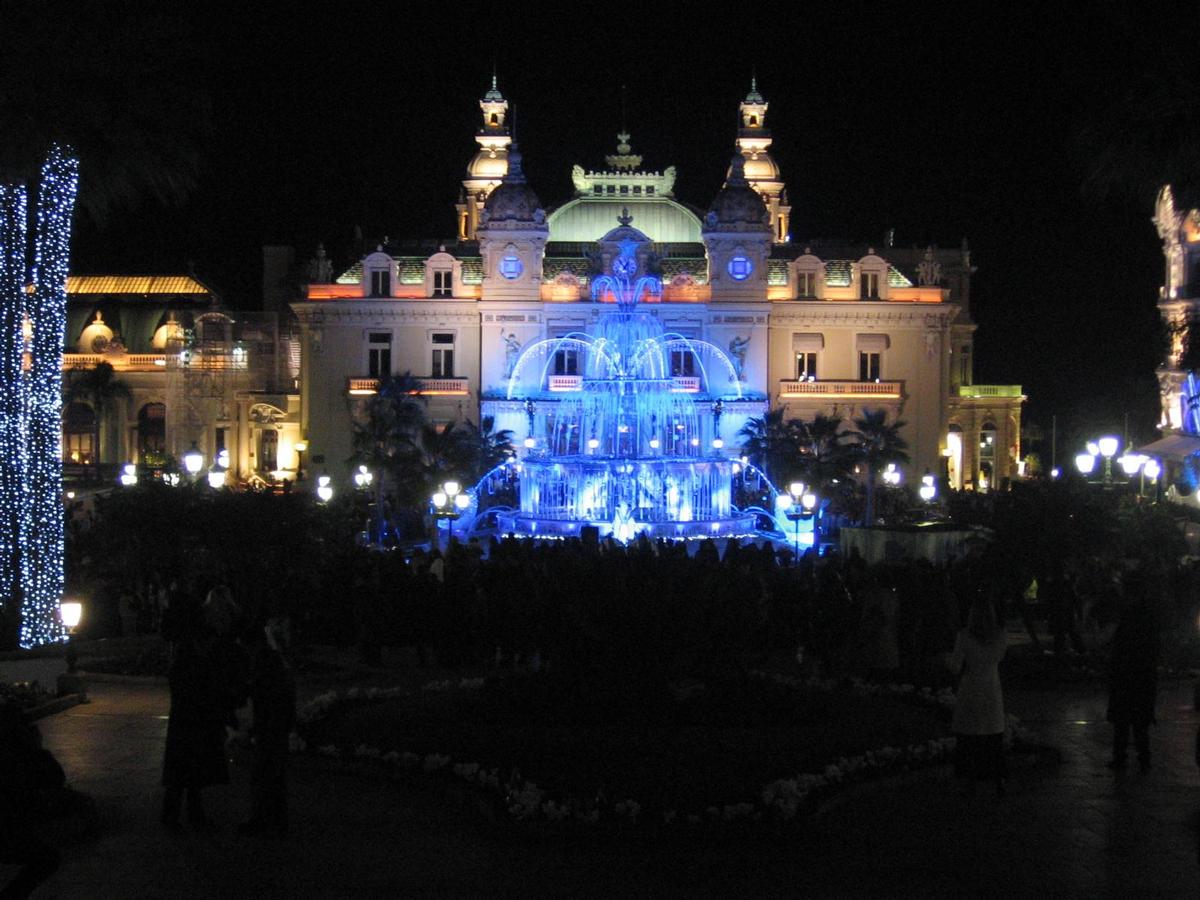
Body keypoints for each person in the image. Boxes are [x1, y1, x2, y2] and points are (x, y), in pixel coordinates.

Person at [160, 584, 246, 831]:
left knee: (186, 768)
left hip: (190, 717)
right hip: (193, 717)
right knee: (188, 767)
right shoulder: (191, 654)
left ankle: (183, 814)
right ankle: (179, 815)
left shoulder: (187, 653)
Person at [239, 616, 297, 837]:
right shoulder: (273, 659)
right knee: (273, 774)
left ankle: (263, 819)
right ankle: (276, 820)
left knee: (265, 773)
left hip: (271, 724)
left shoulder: (265, 661)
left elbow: (265, 692)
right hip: (276, 723)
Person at [948, 593, 1008, 796]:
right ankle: (997, 777)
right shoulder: (1000, 636)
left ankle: (970, 778)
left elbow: (956, 666)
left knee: (971, 735)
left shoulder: (964, 636)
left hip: (971, 687)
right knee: (992, 734)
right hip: (991, 688)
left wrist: (945, 661)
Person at [1106, 568, 1160, 772]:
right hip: (1139, 676)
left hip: (1130, 675)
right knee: (1136, 723)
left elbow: (1122, 645)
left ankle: (1127, 758)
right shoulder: (1145, 615)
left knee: (1127, 722)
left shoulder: (1133, 616)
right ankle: (1139, 758)